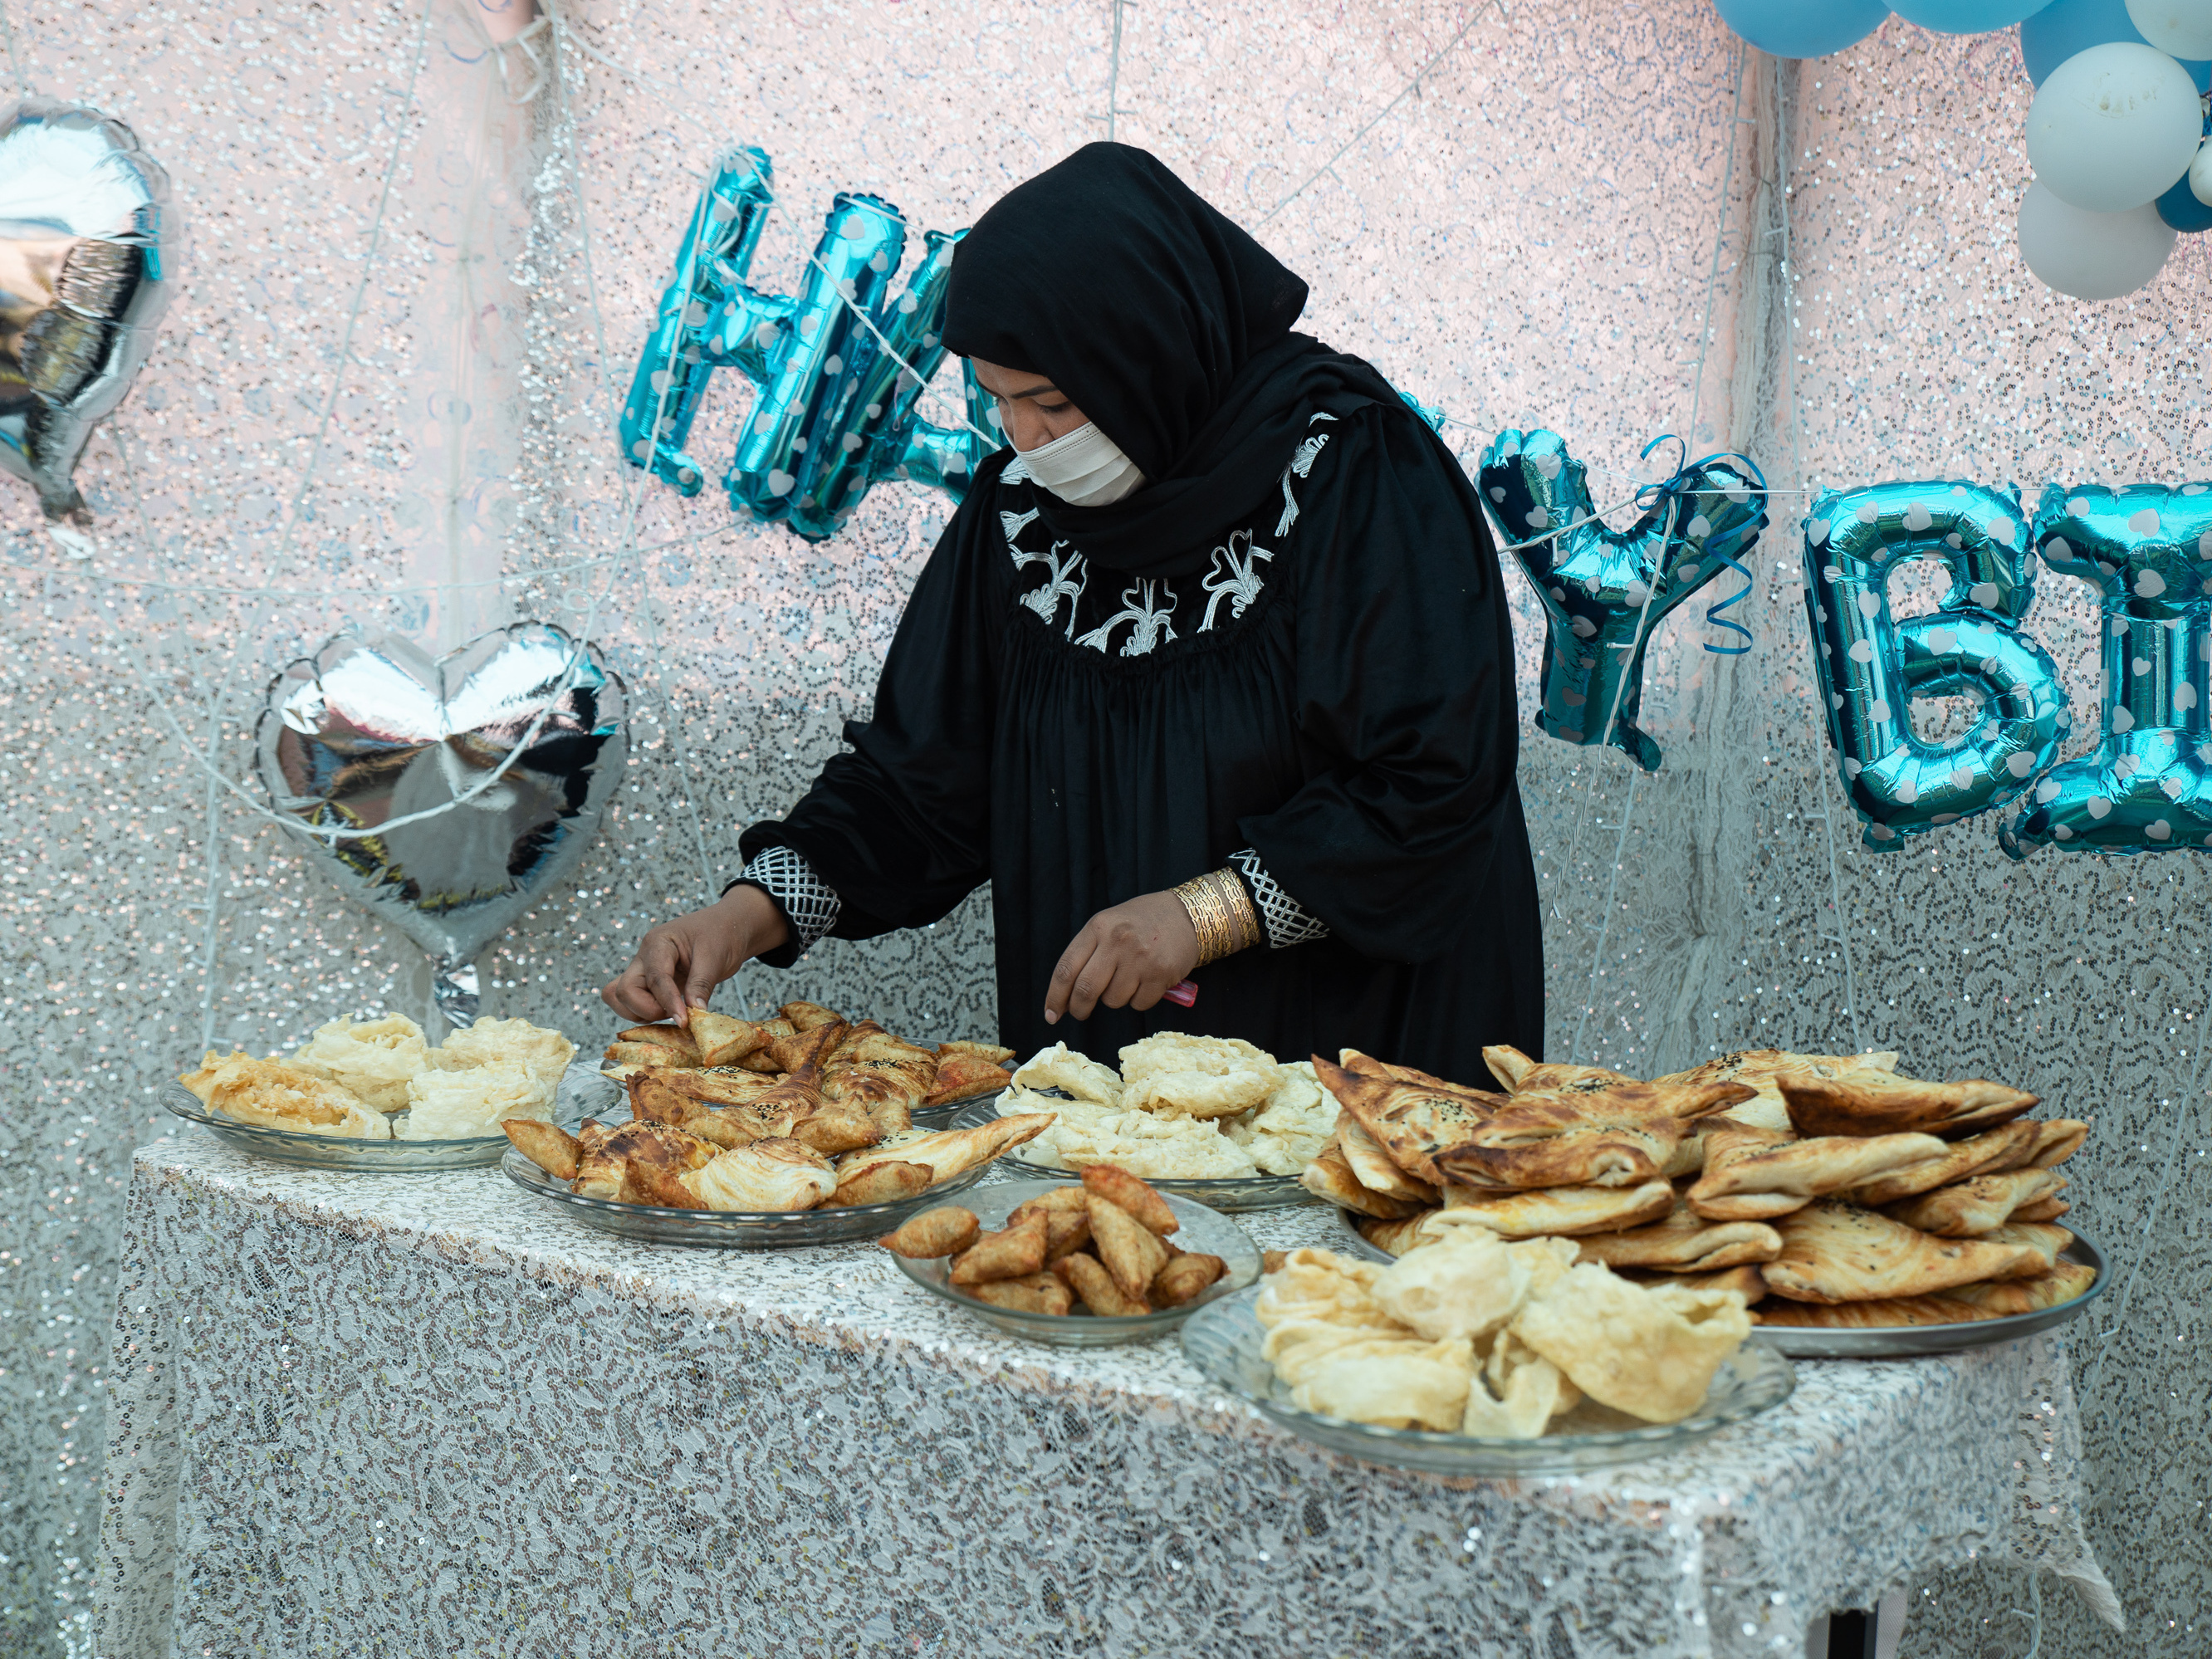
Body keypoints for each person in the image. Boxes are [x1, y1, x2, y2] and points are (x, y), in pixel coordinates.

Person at [601, 142, 1543, 1081]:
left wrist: (1205, 913)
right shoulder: (1020, 520)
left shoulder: (1355, 472)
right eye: (1000, 400)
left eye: (1050, 401)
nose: (1026, 438)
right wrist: (742, 915)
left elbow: (1430, 784)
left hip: (1360, 1068)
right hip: (1120, 1089)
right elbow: (918, 789)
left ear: (1145, 356)